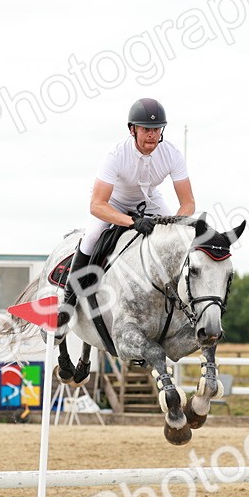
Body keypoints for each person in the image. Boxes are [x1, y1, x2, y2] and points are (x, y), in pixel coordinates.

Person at [58, 98, 196, 330]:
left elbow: (188, 203)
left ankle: (181, 300)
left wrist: (174, 225)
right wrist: (132, 222)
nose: (152, 135)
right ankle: (68, 302)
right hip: (112, 203)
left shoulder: (171, 154)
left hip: (149, 201)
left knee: (177, 238)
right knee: (92, 237)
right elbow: (97, 205)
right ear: (132, 129)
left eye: (156, 129)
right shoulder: (116, 155)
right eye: (146, 129)